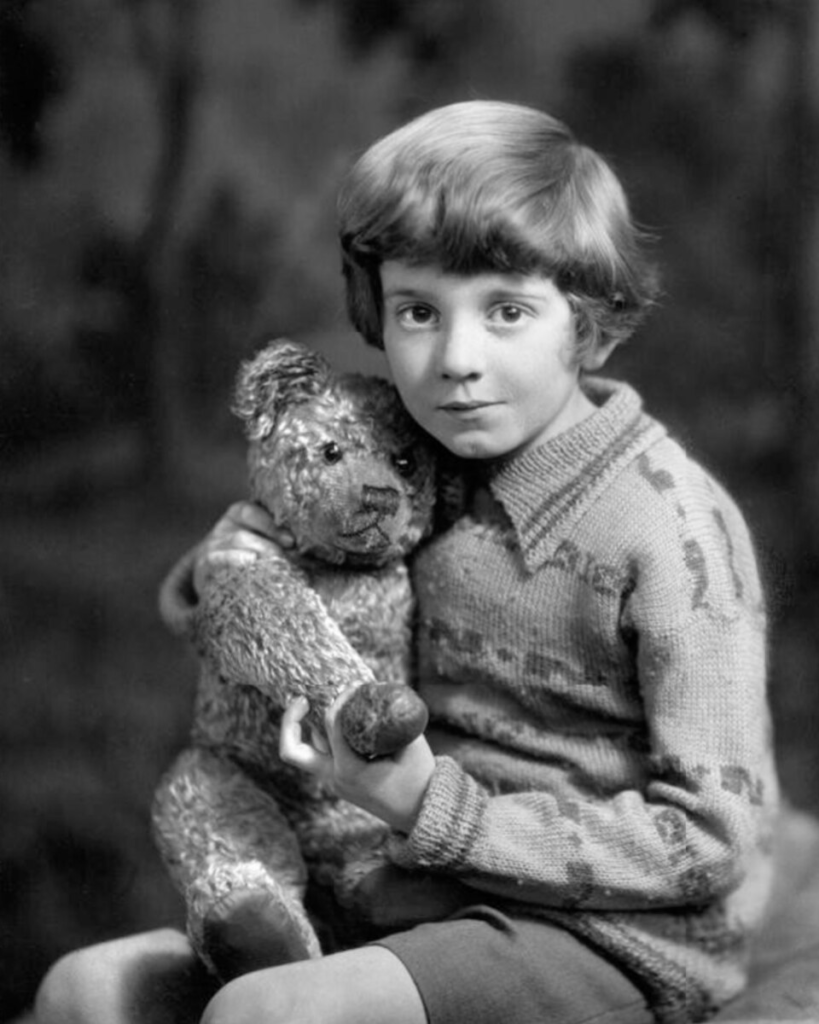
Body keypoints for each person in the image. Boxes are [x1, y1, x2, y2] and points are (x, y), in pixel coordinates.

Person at [34, 100, 777, 1024]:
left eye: (506, 310)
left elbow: (710, 840)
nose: (456, 359)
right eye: (419, 311)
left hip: (605, 929)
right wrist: (231, 570)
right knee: (83, 993)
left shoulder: (673, 532)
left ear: (590, 321)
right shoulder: (418, 465)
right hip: (411, 878)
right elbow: (319, 596)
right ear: (375, 316)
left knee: (264, 1015)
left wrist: (435, 806)